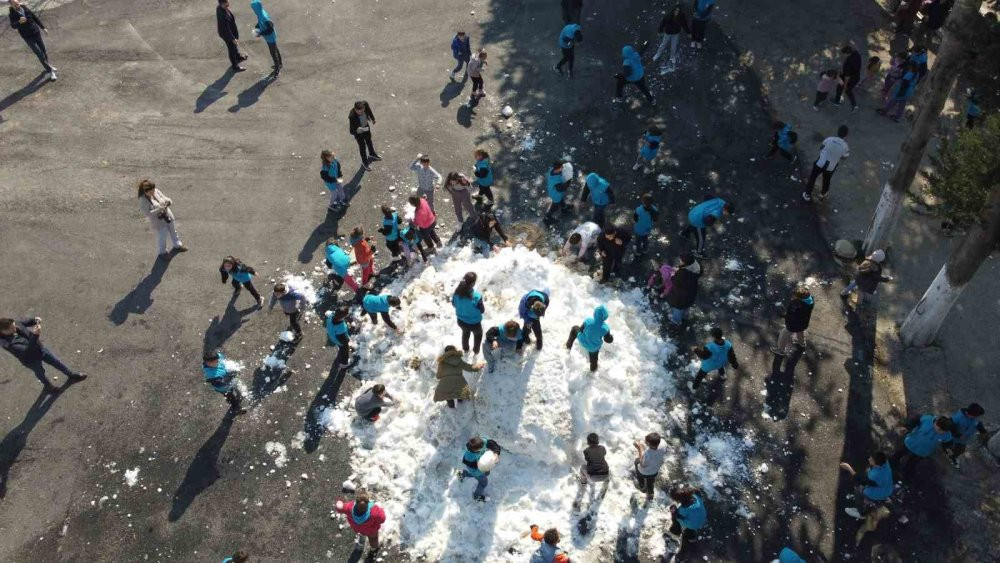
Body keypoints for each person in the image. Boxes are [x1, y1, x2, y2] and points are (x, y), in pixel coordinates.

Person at [1, 317, 87, 394]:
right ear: (4, 331)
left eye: (14, 325)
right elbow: (28, 351)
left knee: (56, 362)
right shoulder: (8, 344)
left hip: (41, 349)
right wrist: (35, 335)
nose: (15, 327)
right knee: (40, 372)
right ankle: (47, 385)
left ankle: (71, 374)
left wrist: (34, 320)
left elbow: (24, 322)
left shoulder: (13, 324)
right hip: (31, 360)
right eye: (12, 328)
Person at [890, 413, 953, 482]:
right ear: (936, 422)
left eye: (942, 431)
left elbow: (947, 443)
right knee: (898, 454)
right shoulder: (927, 419)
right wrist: (906, 427)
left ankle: (906, 475)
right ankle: (890, 465)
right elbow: (914, 421)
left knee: (911, 463)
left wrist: (948, 449)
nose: (940, 432)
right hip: (910, 443)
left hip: (922, 452)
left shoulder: (946, 434)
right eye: (939, 429)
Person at [770, 285, 814, 376]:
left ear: (799, 298)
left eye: (795, 296)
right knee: (800, 332)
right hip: (803, 324)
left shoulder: (797, 305)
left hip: (793, 324)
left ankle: (780, 350)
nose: (793, 297)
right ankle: (802, 343)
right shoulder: (810, 302)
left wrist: (782, 313)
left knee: (784, 332)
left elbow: (790, 315)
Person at [137, 179, 188, 257]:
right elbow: (148, 214)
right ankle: (162, 252)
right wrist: (159, 209)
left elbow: (164, 198)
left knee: (173, 230)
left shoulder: (156, 191)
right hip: (158, 221)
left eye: (153, 190)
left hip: (167, 215)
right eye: (151, 192)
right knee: (162, 236)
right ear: (145, 191)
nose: (153, 193)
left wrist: (168, 201)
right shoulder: (142, 200)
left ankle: (177, 245)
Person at [8, 0, 57, 80]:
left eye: (17, 3)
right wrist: (19, 22)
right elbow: (13, 26)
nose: (17, 5)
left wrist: (43, 28)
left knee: (43, 51)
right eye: (15, 5)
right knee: (39, 53)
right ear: (11, 5)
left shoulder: (24, 7)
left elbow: (34, 17)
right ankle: (50, 71)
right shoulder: (12, 14)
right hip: (27, 37)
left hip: (36, 32)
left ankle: (48, 65)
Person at [839, 451, 894, 519]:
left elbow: (862, 480)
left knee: (858, 491)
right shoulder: (885, 463)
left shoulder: (876, 475)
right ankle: (871, 501)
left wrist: (849, 468)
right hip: (888, 488)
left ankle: (861, 513)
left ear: (877, 464)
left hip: (880, 492)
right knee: (862, 486)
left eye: (871, 459)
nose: (869, 459)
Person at [801, 125, 849, 202]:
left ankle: (807, 194)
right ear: (846, 135)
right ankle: (823, 194)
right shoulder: (845, 146)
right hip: (831, 167)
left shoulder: (829, 139)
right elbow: (844, 157)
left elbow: (822, 147)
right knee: (827, 180)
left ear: (838, 132)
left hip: (820, 163)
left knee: (813, 177)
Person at [334, 490, 386, 558]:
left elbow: (341, 508)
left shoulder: (349, 507)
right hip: (371, 531)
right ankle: (374, 548)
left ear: (356, 502)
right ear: (367, 503)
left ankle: (362, 536)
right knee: (373, 539)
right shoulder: (374, 511)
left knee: (362, 532)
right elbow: (382, 519)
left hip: (358, 528)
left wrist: (339, 504)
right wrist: (380, 509)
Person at [566, 305, 613, 372]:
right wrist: (611, 338)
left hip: (583, 341)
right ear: (605, 317)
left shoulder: (588, 320)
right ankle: (593, 370)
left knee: (575, 328)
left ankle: (568, 346)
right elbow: (608, 340)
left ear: (594, 313)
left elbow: (581, 330)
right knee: (594, 360)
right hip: (593, 348)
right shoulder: (605, 328)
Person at [944, 403, 988, 468]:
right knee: (956, 450)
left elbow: (977, 423)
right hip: (956, 439)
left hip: (964, 439)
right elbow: (951, 427)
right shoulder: (958, 417)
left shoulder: (974, 417)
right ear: (970, 414)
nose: (977, 418)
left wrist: (983, 430)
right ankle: (951, 458)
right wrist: (958, 435)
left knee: (961, 451)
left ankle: (953, 454)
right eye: (976, 416)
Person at [202, 349, 246, 414]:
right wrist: (231, 376)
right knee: (231, 398)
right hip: (223, 388)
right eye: (216, 362)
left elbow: (222, 357)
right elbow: (221, 383)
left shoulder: (217, 357)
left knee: (234, 386)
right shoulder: (212, 374)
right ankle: (236, 408)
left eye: (217, 360)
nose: (218, 362)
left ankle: (237, 394)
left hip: (228, 382)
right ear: (208, 363)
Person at [458, 435, 502, 501]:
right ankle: (476, 496)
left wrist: (496, 453)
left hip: (482, 466)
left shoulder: (481, 442)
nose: (483, 447)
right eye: (481, 448)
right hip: (476, 470)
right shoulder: (469, 456)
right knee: (483, 483)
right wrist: (484, 464)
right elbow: (468, 464)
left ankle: (463, 473)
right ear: (475, 450)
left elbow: (493, 444)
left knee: (487, 473)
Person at [452, 272, 486, 354]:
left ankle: (466, 349)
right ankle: (476, 351)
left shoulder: (457, 293)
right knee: (478, 336)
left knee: (465, 334)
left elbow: (454, 304)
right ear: (473, 283)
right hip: (475, 324)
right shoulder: (476, 296)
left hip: (461, 321)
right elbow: (482, 310)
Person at [665, 253, 701, 325]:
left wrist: (673, 274)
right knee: (686, 307)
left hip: (680, 298)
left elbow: (675, 281)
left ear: (685, 262)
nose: (679, 261)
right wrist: (680, 270)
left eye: (681, 260)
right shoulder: (695, 268)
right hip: (691, 295)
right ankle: (685, 317)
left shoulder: (682, 274)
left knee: (678, 309)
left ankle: (676, 321)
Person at [250, 0, 281, 74]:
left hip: (270, 38)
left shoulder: (263, 16)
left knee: (273, 53)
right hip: (268, 37)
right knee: (275, 50)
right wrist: (257, 26)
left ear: (256, 8)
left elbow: (270, 28)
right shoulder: (260, 13)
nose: (253, 10)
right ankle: (279, 64)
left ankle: (277, 69)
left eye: (253, 8)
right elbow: (261, 22)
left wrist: (261, 33)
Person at [348, 101, 381, 171]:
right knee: (362, 146)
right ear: (355, 109)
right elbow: (351, 131)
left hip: (366, 127)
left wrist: (373, 119)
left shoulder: (364, 104)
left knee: (369, 141)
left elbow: (369, 110)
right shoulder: (352, 116)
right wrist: (357, 130)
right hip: (359, 133)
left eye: (363, 110)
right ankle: (364, 162)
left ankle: (372, 153)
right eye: (360, 112)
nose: (362, 113)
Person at [216, 0, 246, 72]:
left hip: (231, 32)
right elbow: (226, 29)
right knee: (231, 49)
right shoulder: (222, 15)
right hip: (227, 35)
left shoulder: (221, 7)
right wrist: (233, 39)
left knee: (234, 46)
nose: (228, 2)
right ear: (223, 3)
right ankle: (235, 66)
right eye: (227, 2)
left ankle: (238, 57)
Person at [633, 432, 665, 499]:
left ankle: (642, 486)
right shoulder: (662, 446)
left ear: (650, 444)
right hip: (654, 471)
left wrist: (640, 449)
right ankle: (651, 493)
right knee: (650, 482)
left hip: (644, 472)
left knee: (636, 462)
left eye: (646, 442)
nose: (645, 442)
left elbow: (642, 464)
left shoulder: (647, 453)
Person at [832, 45, 862, 111]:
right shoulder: (857, 54)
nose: (843, 55)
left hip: (849, 78)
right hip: (856, 77)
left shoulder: (848, 63)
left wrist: (845, 84)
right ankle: (853, 105)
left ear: (847, 53)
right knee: (846, 90)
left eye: (844, 54)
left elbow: (847, 77)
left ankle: (837, 101)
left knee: (844, 88)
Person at [326, 306, 353, 376]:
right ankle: (344, 364)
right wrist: (347, 341)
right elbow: (343, 341)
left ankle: (340, 350)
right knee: (345, 350)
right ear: (343, 317)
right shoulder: (341, 328)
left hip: (332, 335)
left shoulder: (331, 315)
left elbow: (327, 313)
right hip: (339, 340)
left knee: (341, 347)